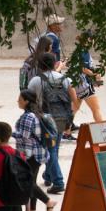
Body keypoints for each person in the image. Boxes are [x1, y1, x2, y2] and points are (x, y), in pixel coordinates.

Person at [27, 52, 79, 195]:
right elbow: (74, 100)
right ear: (54, 64)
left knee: (50, 150)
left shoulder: (36, 81)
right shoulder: (65, 79)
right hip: (62, 118)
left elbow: (28, 100)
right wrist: (70, 118)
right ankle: (48, 176)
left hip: (45, 119)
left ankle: (58, 181)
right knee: (54, 149)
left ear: (40, 65)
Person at [15, 90, 58, 211]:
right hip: (37, 154)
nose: (18, 101)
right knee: (31, 181)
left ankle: (48, 201)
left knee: (26, 181)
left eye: (20, 99)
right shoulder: (35, 114)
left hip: (31, 154)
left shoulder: (29, 116)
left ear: (26, 101)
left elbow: (24, 135)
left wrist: (8, 133)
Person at [73, 31, 104, 127]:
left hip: (77, 83)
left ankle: (66, 130)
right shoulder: (83, 51)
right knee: (96, 108)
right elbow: (83, 68)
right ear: (89, 40)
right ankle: (103, 130)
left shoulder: (79, 50)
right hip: (84, 84)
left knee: (75, 108)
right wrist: (95, 75)